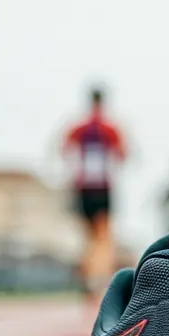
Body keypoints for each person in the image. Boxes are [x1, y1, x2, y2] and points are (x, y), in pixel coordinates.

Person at [63, 87, 127, 300]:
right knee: (103, 235)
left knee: (89, 236)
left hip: (83, 187)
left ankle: (89, 275)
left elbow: (64, 150)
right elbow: (123, 154)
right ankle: (97, 278)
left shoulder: (79, 127)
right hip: (102, 188)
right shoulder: (110, 128)